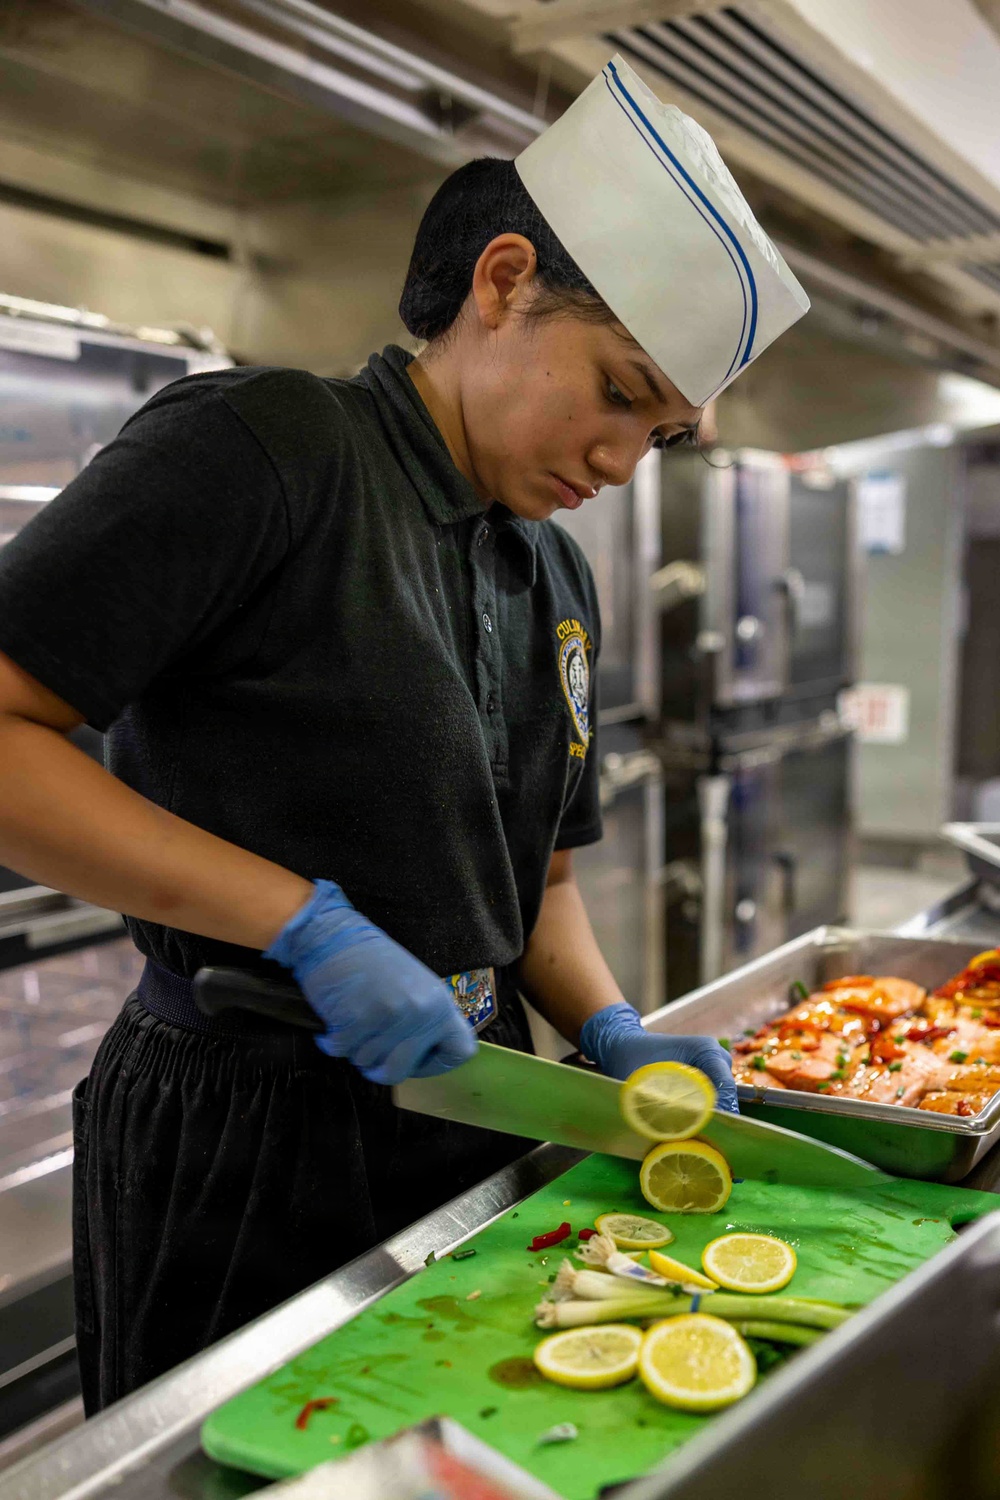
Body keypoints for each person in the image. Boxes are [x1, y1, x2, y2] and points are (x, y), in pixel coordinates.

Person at [0, 54, 808, 1412]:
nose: (620, 464)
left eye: (662, 436)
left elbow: (536, 884)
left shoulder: (553, 574)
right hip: (246, 1136)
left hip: (476, 1110)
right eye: (620, 393)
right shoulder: (266, 450)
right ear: (503, 283)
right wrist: (304, 926)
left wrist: (613, 1028)